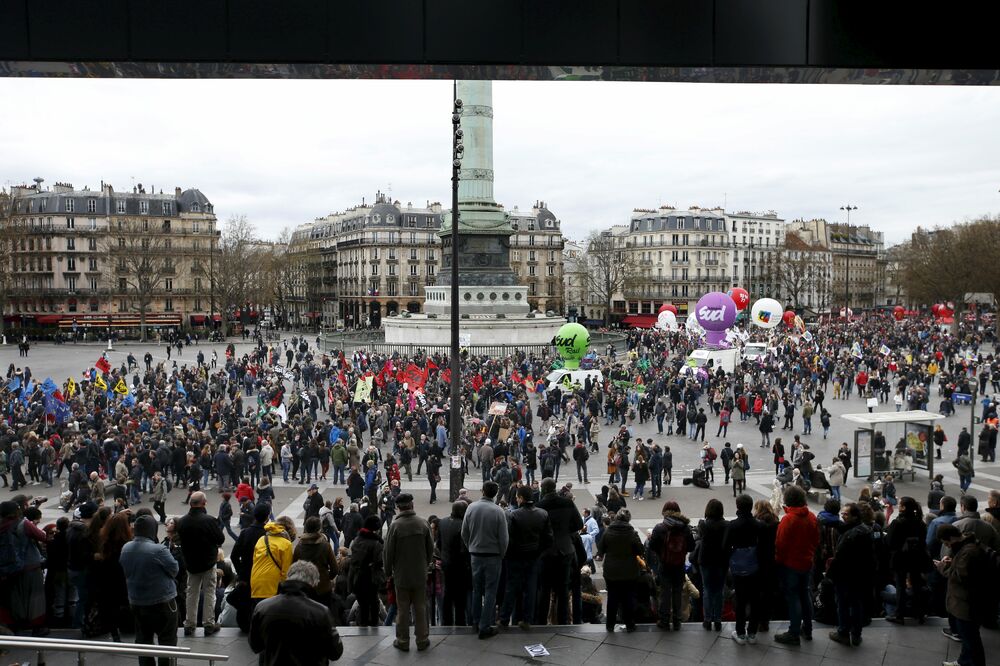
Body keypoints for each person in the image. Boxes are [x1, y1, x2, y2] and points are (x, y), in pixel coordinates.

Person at [249, 561, 344, 666]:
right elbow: (335, 652)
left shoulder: (262, 607)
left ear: (288, 577)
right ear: (313, 583)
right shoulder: (320, 612)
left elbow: (255, 645)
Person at [119, 515, 179, 666]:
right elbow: (174, 569)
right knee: (167, 640)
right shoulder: (158, 549)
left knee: (143, 640)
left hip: (137, 601)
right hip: (162, 601)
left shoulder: (126, 548)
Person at [383, 493, 434, 652]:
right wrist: (425, 566)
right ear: (412, 505)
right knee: (420, 607)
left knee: (403, 608)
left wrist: (388, 572)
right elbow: (430, 549)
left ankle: (403, 640)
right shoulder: (423, 523)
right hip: (419, 573)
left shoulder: (395, 526)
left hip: (402, 574)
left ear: (398, 508)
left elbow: (388, 553)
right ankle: (422, 639)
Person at [936, 524, 990, 666]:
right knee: (968, 638)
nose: (946, 545)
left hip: (966, 603)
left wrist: (943, 568)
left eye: (946, 542)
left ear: (952, 537)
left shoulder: (968, 552)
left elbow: (962, 576)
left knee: (971, 639)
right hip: (966, 602)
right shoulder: (968, 547)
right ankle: (963, 661)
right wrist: (953, 562)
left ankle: (973, 663)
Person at [500, 485, 553, 630]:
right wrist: (538, 551)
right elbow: (548, 538)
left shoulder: (513, 515)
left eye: (517, 497)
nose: (516, 499)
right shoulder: (542, 514)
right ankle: (527, 619)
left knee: (511, 587)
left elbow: (508, 538)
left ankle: (504, 618)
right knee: (531, 588)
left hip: (515, 557)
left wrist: (509, 553)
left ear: (521, 498)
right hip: (533, 556)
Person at [461, 481, 509, 639]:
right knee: (490, 591)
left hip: (475, 554)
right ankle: (485, 625)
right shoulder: (498, 511)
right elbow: (504, 538)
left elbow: (464, 532)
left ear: (482, 491)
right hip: (493, 555)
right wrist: (501, 554)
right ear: (495, 494)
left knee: (477, 589)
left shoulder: (471, 507)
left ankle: (475, 621)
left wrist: (471, 547)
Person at [773, 485, 820, 646]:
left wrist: (779, 562)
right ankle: (807, 629)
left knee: (793, 597)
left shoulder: (788, 519)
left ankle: (793, 632)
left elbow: (781, 544)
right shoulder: (812, 517)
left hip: (790, 564)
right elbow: (816, 540)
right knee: (805, 594)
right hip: (807, 562)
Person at [536, 476, 584, 626]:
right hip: (565, 549)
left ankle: (542, 622)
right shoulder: (568, 503)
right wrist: (564, 532)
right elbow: (579, 524)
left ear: (543, 489)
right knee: (563, 589)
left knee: (545, 589)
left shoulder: (540, 506)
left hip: (547, 552)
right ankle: (563, 622)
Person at [175, 491, 224, 636]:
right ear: (204, 503)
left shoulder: (182, 521)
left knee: (191, 592)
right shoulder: (209, 520)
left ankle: (189, 624)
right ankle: (208, 623)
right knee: (209, 591)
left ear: (190, 503)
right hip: (208, 561)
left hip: (191, 562)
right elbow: (220, 539)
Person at [825, 503, 874, 647]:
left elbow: (839, 558)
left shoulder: (850, 536)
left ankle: (843, 633)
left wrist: (830, 573)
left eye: (846, 514)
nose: (842, 516)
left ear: (854, 516)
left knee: (843, 605)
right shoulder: (865, 530)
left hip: (845, 576)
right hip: (860, 576)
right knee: (856, 604)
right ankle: (856, 634)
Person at [648, 500, 694, 630]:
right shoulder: (685, 528)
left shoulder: (660, 528)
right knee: (678, 592)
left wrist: (661, 553)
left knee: (665, 593)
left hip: (665, 564)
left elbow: (652, 546)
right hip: (679, 565)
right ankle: (677, 620)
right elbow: (691, 547)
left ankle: (664, 620)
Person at [723, 494, 762, 645]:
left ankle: (740, 632)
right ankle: (752, 632)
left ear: (738, 507)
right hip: (755, 566)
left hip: (738, 567)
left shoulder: (732, 525)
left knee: (740, 599)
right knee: (754, 599)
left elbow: (725, 547)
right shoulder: (759, 525)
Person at [885, 496, 930, 624]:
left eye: (900, 504)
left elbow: (889, 542)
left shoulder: (898, 523)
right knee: (916, 584)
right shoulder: (920, 523)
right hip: (916, 558)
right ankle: (919, 613)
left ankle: (899, 615)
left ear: (903, 507)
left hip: (900, 558)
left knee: (900, 586)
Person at [598, 509, 643, 632]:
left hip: (611, 570)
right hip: (629, 571)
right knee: (628, 598)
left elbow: (601, 549)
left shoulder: (608, 531)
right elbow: (640, 550)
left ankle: (610, 625)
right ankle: (630, 624)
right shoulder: (632, 533)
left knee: (612, 597)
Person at [696, 498, 728, 631]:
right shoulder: (726, 525)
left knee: (707, 590)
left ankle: (708, 619)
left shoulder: (703, 524)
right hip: (721, 560)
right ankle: (718, 619)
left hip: (706, 560)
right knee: (719, 590)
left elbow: (699, 537)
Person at [347, 514, 385, 627]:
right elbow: (380, 561)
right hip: (371, 578)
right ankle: (374, 627)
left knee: (362, 605)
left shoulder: (357, 540)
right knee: (374, 604)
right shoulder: (376, 543)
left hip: (357, 577)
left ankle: (362, 627)